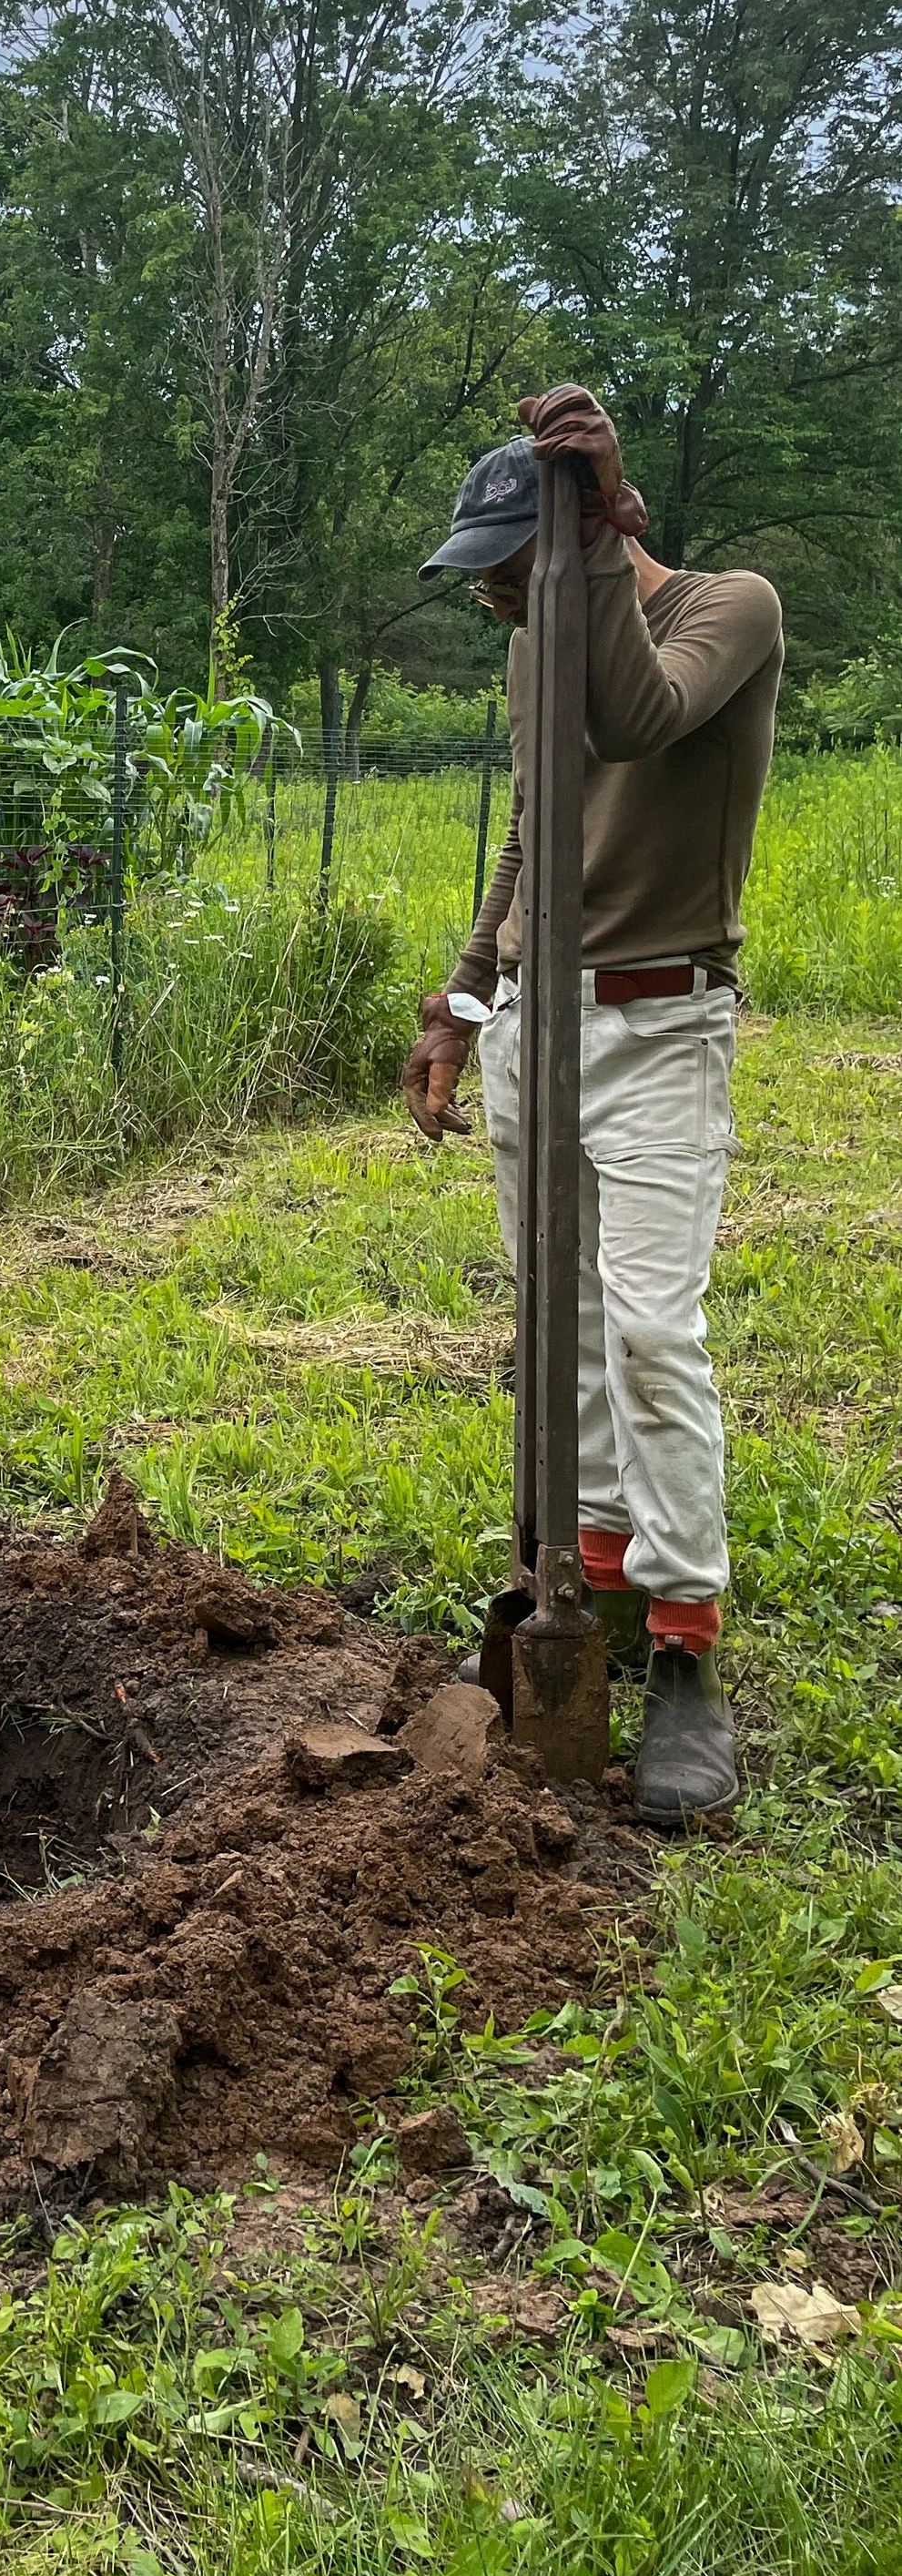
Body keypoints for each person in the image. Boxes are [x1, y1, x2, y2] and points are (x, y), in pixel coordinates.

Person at [404, 383, 783, 1825]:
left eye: (512, 567)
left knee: (646, 1324)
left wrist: (605, 527)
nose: (496, 599)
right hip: (537, 1024)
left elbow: (633, 725)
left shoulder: (722, 610)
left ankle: (686, 1651)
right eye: (491, 577)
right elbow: (532, 822)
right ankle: (589, 1568)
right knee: (555, 1316)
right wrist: (464, 995)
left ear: (571, 540)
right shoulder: (530, 649)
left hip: (661, 1016)